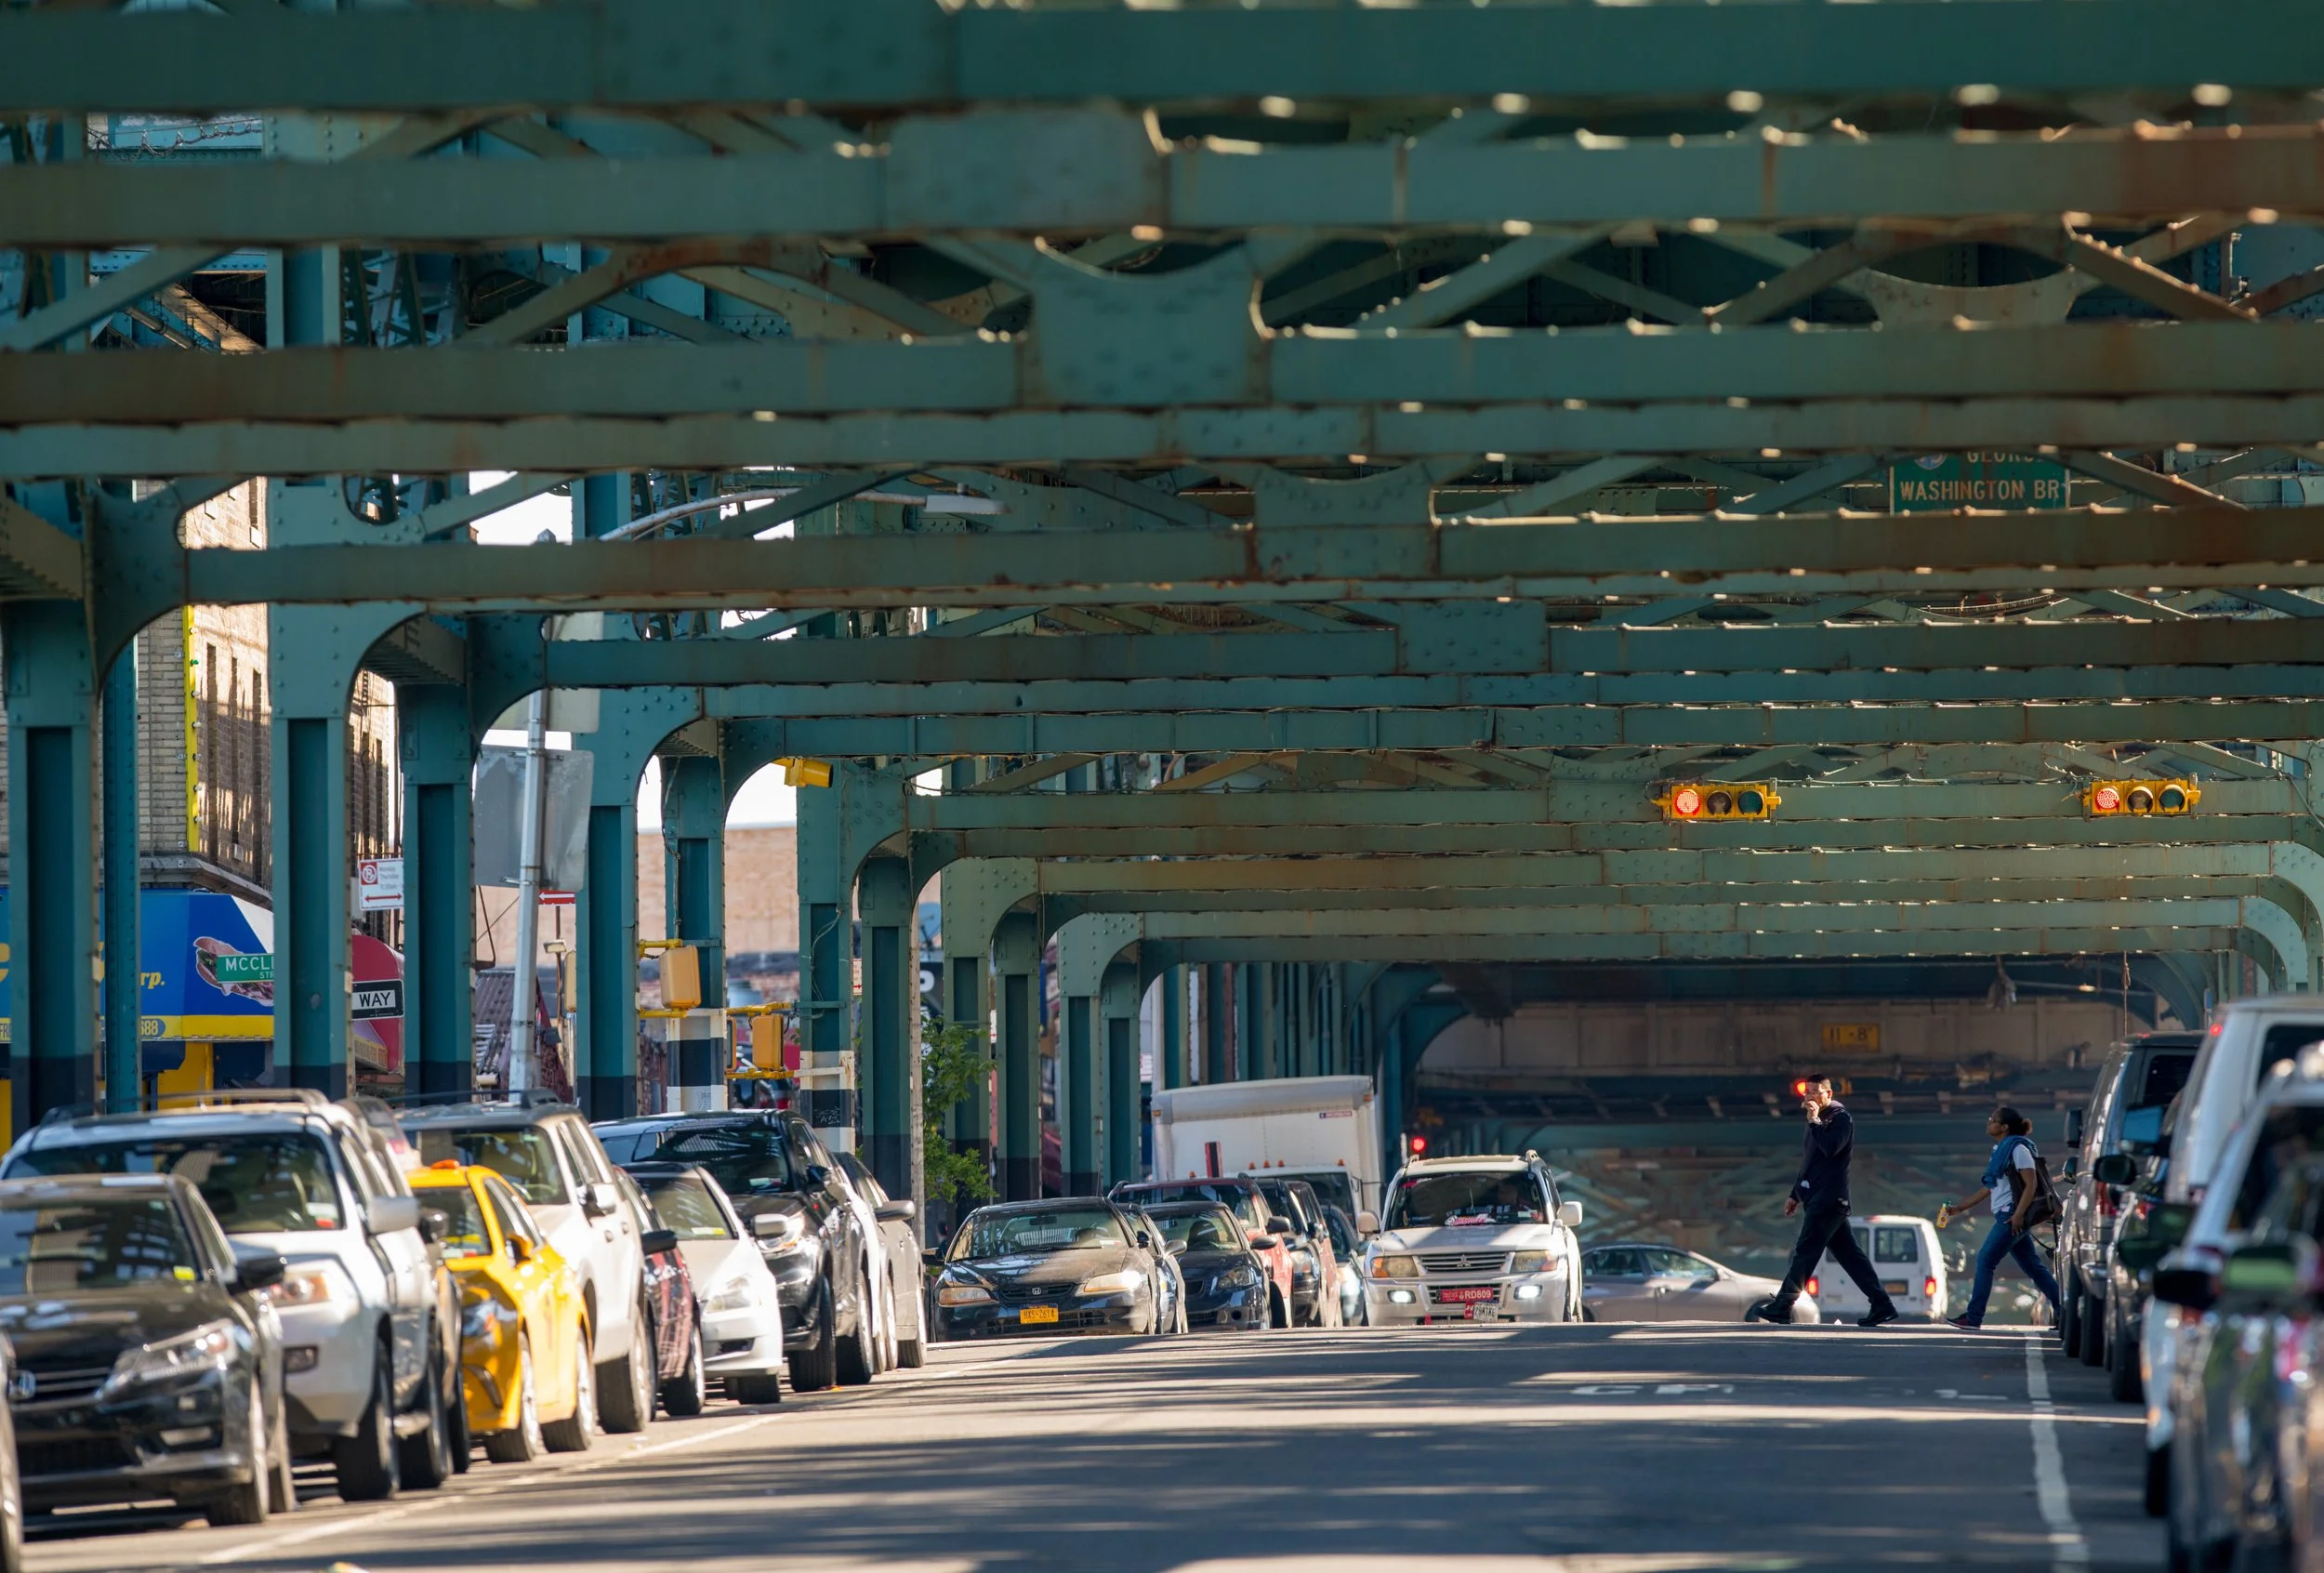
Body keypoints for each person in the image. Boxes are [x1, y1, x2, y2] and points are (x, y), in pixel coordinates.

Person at [1757, 1074, 1899, 1328]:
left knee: (1805, 1253)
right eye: (1807, 1092)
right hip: (1817, 1198)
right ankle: (1882, 1305)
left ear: (1829, 1094)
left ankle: (1783, 1305)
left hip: (1829, 1199)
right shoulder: (1818, 1121)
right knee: (1850, 1257)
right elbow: (1811, 1161)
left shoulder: (1840, 1118)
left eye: (1816, 1091)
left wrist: (1813, 1120)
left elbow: (1831, 1148)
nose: (1810, 1095)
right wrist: (1795, 1194)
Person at [1937, 1105, 2062, 1330]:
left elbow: (2031, 1185)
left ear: (2004, 1127)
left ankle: (1973, 1318)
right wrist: (1960, 1208)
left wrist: (2018, 1215)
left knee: (1985, 1261)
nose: (1989, 1122)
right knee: (2034, 1267)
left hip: (2011, 1215)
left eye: (1993, 1119)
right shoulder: (2001, 1151)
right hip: (2008, 1214)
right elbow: (1988, 1188)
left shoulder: (2018, 1149)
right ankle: (2064, 1313)